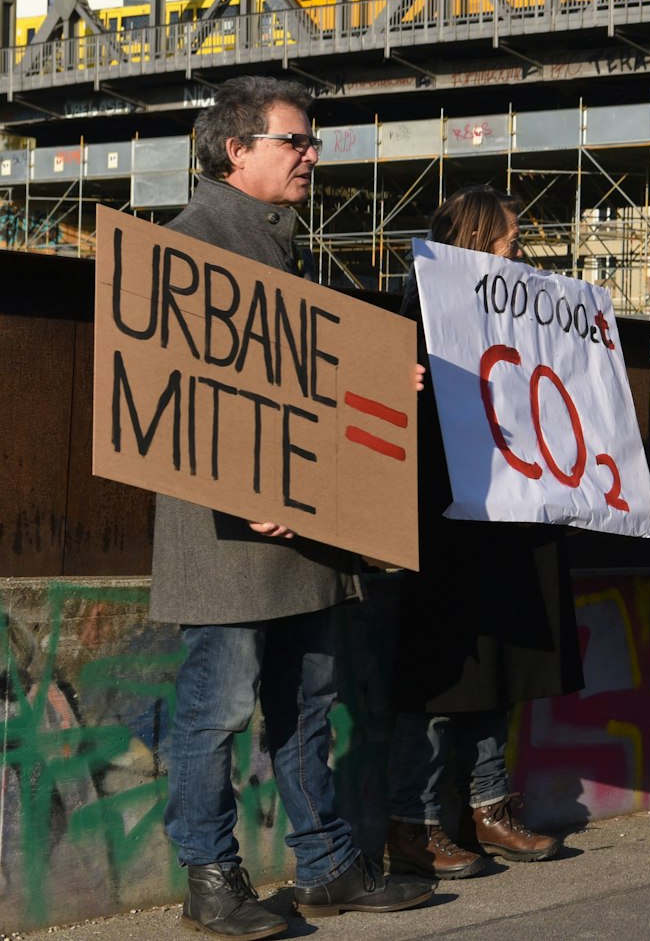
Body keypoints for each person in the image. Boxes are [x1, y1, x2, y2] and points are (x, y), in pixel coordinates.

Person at [150, 77, 433, 939]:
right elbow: (174, 390)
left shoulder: (278, 245)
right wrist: (242, 488)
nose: (313, 153)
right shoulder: (191, 241)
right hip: (228, 534)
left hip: (302, 524)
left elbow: (297, 378)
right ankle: (210, 879)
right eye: (295, 140)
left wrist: (376, 382)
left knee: (308, 703)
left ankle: (326, 864)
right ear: (237, 149)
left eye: (311, 140)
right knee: (219, 707)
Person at [386, 187, 579, 878]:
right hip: (446, 514)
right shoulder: (423, 300)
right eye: (509, 238)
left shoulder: (526, 308)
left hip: (509, 511)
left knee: (500, 667)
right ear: (475, 237)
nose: (518, 249)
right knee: (442, 676)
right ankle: (414, 823)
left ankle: (488, 806)